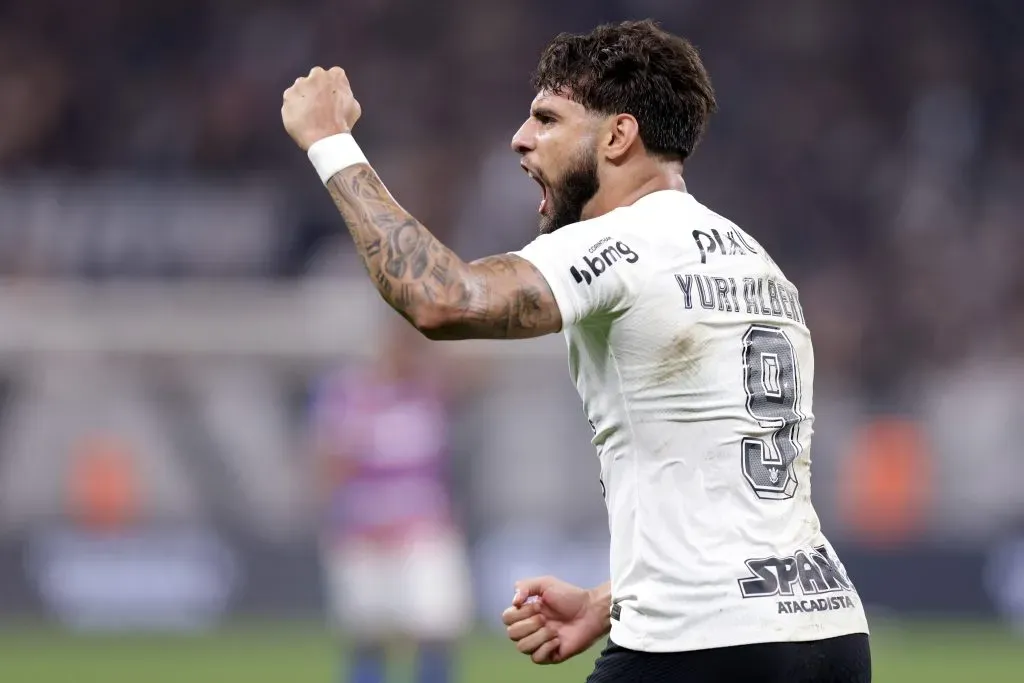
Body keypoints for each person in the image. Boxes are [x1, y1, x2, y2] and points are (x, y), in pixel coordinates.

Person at [282, 18, 871, 683]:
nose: (521, 139)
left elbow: (440, 299)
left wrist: (331, 142)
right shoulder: (759, 265)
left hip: (701, 643)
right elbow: (728, 504)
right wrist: (609, 600)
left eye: (547, 119)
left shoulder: (620, 242)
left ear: (618, 136)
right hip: (827, 632)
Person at [307, 318, 472, 683]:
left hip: (422, 528)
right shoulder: (350, 394)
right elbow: (328, 462)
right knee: (367, 634)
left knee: (436, 628)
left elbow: (476, 371)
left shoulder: (429, 391)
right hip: (364, 529)